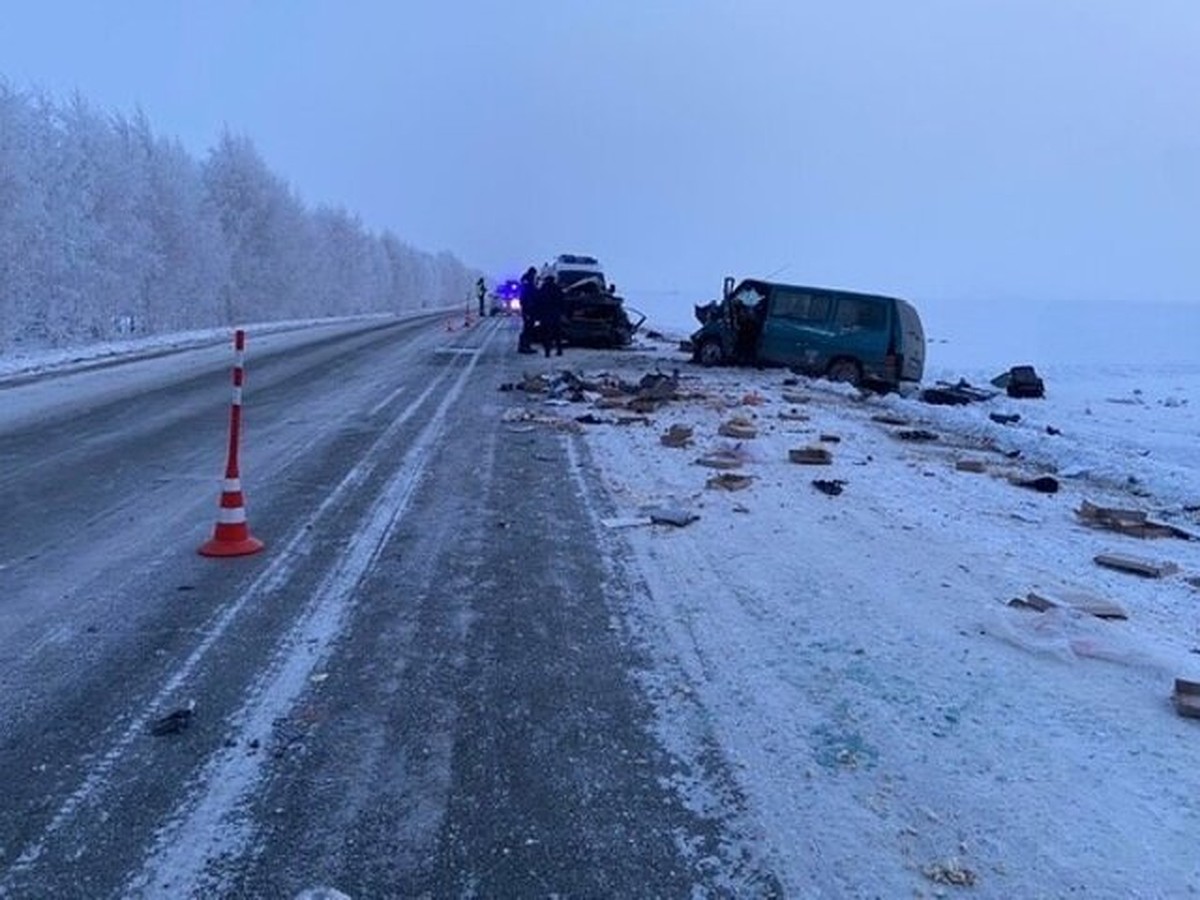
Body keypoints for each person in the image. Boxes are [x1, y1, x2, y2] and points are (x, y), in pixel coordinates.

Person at [538, 274, 565, 357]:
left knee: (546, 333)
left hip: (545, 314)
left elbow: (538, 302)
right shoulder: (557, 288)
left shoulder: (543, 289)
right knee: (557, 334)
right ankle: (559, 350)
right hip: (555, 314)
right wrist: (562, 312)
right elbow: (562, 300)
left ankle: (547, 351)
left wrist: (538, 314)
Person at [517, 267, 540, 354]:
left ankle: (524, 346)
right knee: (528, 328)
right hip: (529, 310)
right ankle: (525, 346)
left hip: (528, 309)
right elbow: (528, 296)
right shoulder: (529, 284)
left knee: (527, 328)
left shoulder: (526, 283)